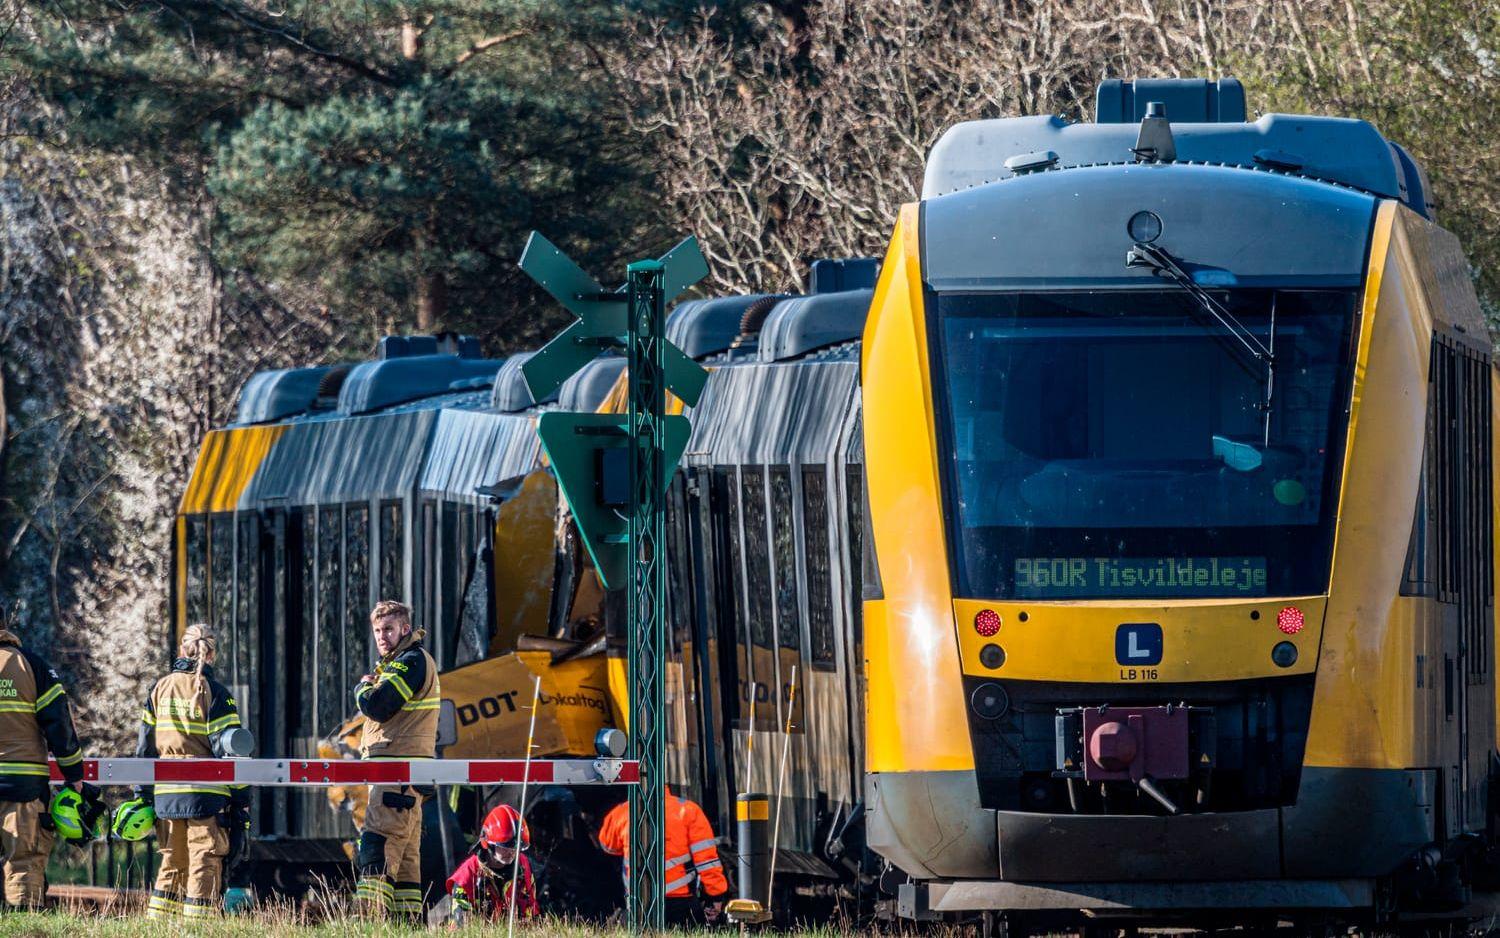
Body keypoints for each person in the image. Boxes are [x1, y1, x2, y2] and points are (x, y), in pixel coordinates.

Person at [133, 624, 248, 921]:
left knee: (172, 861)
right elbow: (231, 752)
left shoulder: (158, 689)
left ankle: (158, 925)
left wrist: (142, 794)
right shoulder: (216, 693)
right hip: (206, 796)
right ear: (211, 654)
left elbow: (145, 748)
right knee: (204, 859)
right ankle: (198, 926)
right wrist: (241, 799)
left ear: (182, 650)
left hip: (166, 795)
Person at [352, 600, 440, 920]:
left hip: (396, 771)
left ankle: (368, 922)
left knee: (377, 847)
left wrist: (362, 689)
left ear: (405, 628)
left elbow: (377, 705)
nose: (381, 636)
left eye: (388, 629)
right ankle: (406, 924)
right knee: (404, 863)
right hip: (405, 775)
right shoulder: (403, 662)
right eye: (377, 630)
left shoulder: (410, 660)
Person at [0, 615, 84, 908]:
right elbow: (59, 724)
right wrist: (74, 773)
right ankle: (24, 922)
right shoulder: (32, 665)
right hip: (23, 785)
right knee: (23, 860)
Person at [598, 786, 728, 926]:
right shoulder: (689, 810)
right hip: (681, 904)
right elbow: (707, 862)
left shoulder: (622, 811)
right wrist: (716, 897)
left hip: (639, 901)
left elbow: (608, 846)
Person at [444, 804, 539, 924]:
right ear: (488, 844)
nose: (512, 852)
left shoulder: (523, 865)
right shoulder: (466, 877)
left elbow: (532, 911)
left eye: (517, 846)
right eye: (505, 846)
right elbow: (460, 929)